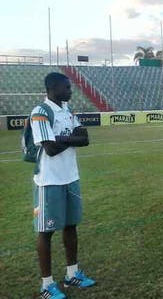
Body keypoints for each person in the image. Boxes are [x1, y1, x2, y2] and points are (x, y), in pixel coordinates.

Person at [31, 72, 95, 299]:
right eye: (66, 87)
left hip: (70, 177)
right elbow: (49, 149)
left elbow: (85, 138)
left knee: (71, 226)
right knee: (46, 231)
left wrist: (60, 138)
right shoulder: (40, 112)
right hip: (49, 181)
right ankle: (46, 284)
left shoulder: (68, 111)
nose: (70, 90)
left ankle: (72, 274)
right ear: (53, 88)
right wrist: (69, 139)